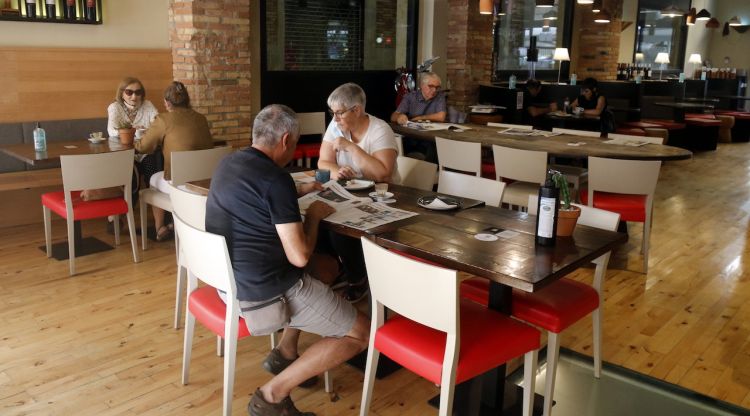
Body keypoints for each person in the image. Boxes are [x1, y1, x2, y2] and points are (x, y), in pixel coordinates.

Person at [205, 104, 369, 416]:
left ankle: (286, 350)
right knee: (360, 332)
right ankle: (272, 395)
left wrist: (298, 191)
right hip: (264, 296)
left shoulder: (229, 163)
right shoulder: (275, 179)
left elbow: (257, 197)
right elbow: (299, 256)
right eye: (293, 145)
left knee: (330, 268)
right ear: (284, 141)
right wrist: (316, 216)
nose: (292, 152)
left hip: (227, 283)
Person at [318, 83, 399, 302]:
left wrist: (351, 147)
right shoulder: (336, 127)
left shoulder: (380, 130)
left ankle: (358, 277)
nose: (335, 119)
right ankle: (342, 269)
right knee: (316, 217)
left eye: (339, 113)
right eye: (332, 113)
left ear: (357, 110)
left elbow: (383, 174)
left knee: (338, 224)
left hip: (385, 199)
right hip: (351, 195)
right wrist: (338, 170)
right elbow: (323, 162)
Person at [134, 81, 213, 241]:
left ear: (167, 103)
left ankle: (160, 227)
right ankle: (175, 223)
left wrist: (133, 141)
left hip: (180, 184)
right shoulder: (201, 119)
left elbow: (143, 147)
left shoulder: (164, 119)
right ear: (187, 100)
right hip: (205, 182)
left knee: (154, 179)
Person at [105, 77, 159, 233]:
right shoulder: (115, 107)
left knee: (154, 176)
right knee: (131, 181)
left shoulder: (148, 106)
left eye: (138, 92)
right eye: (129, 92)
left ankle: (160, 223)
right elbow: (113, 131)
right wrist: (137, 131)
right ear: (122, 93)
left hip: (144, 151)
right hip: (124, 154)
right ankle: (117, 218)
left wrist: (144, 131)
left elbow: (157, 125)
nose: (134, 96)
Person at [390, 72, 446, 160]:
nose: (434, 90)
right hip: (412, 137)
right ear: (422, 85)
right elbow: (394, 116)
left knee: (433, 147)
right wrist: (399, 117)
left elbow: (441, 117)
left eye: (437, 87)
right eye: (431, 86)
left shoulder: (439, 96)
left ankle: (427, 167)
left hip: (430, 138)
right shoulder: (410, 97)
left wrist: (420, 118)